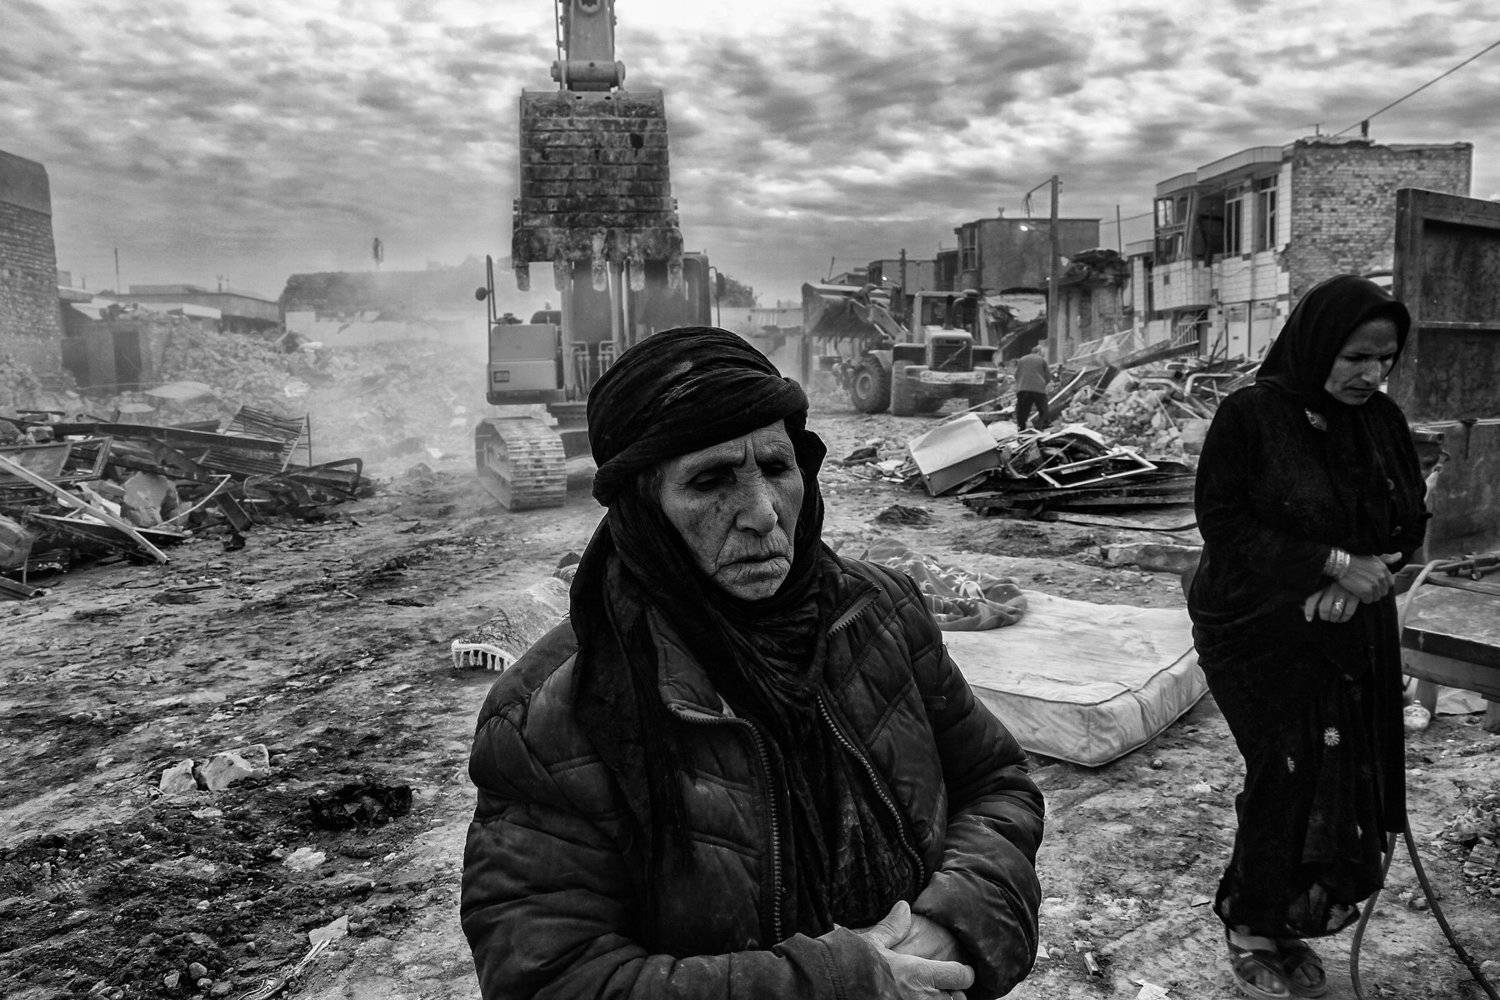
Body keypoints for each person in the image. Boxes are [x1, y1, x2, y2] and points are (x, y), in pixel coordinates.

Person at [462, 327, 1045, 1000]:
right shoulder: (549, 717)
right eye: (709, 480)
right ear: (644, 507)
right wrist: (841, 985)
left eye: (775, 467)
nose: (763, 515)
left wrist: (948, 927)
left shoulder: (881, 612)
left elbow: (996, 784)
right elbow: (551, 977)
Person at [1187, 275, 1429, 999]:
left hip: (1347, 625)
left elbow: (1408, 520)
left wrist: (1358, 578)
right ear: (1318, 344)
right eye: (1355, 357)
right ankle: (1251, 923)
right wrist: (1328, 565)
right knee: (1284, 770)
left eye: (1385, 359)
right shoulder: (1252, 415)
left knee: (1336, 769)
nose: (1371, 374)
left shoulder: (1380, 421)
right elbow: (1223, 523)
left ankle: (1286, 917)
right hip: (1252, 627)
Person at [1013, 343, 1050, 431]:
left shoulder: (1022, 359)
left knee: (1022, 412)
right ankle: (1041, 428)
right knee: (1043, 411)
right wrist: (1043, 384)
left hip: (1023, 389)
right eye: (1043, 354)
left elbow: (1016, 375)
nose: (1043, 356)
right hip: (1038, 390)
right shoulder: (1042, 360)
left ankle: (1021, 429)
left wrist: (1022, 383)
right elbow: (1048, 376)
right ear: (1039, 352)